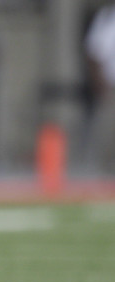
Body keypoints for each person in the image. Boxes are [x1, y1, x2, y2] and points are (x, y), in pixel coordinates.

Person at [83, 3, 115, 175]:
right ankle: (104, 170)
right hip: (111, 83)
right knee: (108, 128)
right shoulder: (108, 17)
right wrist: (99, 81)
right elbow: (94, 50)